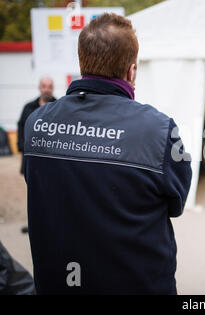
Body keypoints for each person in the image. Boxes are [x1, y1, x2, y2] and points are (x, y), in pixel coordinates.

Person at [23, 13, 192, 294]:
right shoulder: (159, 129)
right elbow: (177, 203)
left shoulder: (37, 123)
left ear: (82, 62)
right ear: (132, 71)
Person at [17, 77, 56, 174]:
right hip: (31, 153)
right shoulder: (28, 107)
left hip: (52, 155)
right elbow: (21, 126)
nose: (47, 90)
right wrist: (21, 145)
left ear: (53, 89)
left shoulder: (59, 107)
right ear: (39, 88)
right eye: (44, 86)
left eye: (49, 87)